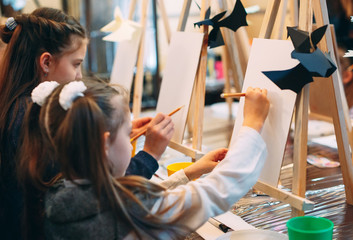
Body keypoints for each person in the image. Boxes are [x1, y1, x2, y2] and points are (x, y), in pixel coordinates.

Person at [20, 79, 269, 239]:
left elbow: (127, 194)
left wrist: (189, 173)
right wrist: (252, 123)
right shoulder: (132, 214)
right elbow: (217, 190)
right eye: (128, 133)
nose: (133, 139)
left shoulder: (59, 195)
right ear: (105, 143)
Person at [0, 7, 171, 240]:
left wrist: (119, 131)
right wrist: (150, 155)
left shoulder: (15, 104)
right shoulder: (34, 117)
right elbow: (94, 195)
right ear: (46, 62)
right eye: (76, 64)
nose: (79, 75)